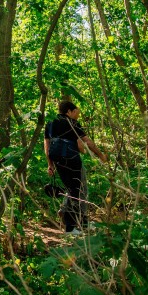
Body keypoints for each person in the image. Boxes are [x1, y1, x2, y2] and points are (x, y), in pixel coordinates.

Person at [44, 99, 105, 234]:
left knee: (74, 188)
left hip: (58, 160)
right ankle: (70, 228)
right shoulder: (72, 123)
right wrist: (101, 156)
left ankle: (82, 222)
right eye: (76, 111)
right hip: (72, 160)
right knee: (76, 191)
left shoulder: (50, 123)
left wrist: (50, 164)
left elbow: (47, 146)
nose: (77, 114)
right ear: (69, 111)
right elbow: (87, 142)